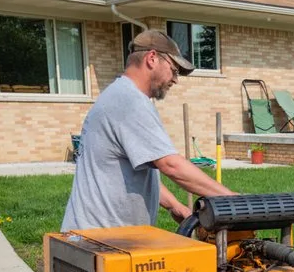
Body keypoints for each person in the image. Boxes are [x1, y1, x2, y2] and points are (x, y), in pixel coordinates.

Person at [61, 29, 234, 231]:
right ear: (152, 58)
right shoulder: (130, 101)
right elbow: (171, 165)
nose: (175, 79)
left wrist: (174, 205)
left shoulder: (118, 94)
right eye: (174, 70)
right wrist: (233, 200)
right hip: (100, 238)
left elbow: (127, 172)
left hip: (90, 233)